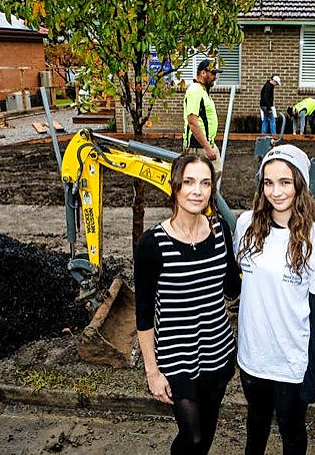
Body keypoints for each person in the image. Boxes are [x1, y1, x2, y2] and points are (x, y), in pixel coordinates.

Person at [134, 154, 240, 455]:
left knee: (206, 434)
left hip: (217, 352)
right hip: (177, 358)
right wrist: (152, 372)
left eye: (205, 183)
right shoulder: (152, 244)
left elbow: (233, 288)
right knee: (192, 436)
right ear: (175, 186)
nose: (197, 191)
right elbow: (143, 316)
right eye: (189, 182)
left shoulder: (221, 233)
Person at [234, 144, 315, 455]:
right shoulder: (246, 226)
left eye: (285, 182)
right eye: (268, 182)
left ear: (300, 185)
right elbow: (238, 284)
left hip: (291, 364)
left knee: (292, 433)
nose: (275, 192)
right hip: (252, 359)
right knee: (256, 424)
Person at [183, 59, 223, 178]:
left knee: (214, 174)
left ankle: (209, 196)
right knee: (202, 180)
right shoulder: (195, 91)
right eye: (213, 73)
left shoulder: (203, 91)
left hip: (206, 144)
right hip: (197, 147)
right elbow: (193, 122)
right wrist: (207, 148)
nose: (215, 77)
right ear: (203, 73)